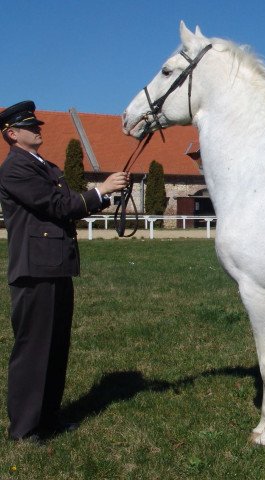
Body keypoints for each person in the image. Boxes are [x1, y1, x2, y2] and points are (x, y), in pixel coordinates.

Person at [0, 100, 129, 441]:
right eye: (30, 126)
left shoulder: (44, 165)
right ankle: (25, 429)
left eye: (37, 125)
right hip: (34, 270)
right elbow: (58, 205)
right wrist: (101, 190)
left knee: (56, 348)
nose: (37, 129)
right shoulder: (15, 168)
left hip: (55, 265)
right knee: (33, 350)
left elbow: (67, 207)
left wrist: (99, 197)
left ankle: (49, 418)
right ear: (11, 134)